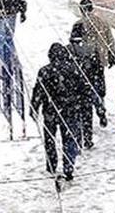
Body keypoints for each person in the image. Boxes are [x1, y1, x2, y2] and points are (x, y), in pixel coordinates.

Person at [31, 43, 82, 180]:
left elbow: (39, 91)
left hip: (51, 110)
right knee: (69, 139)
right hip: (70, 109)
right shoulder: (74, 69)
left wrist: (34, 107)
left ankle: (52, 164)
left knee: (50, 139)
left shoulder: (45, 71)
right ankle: (68, 165)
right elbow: (82, 90)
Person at [67, 23, 106, 149]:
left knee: (75, 114)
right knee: (87, 113)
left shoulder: (67, 49)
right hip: (88, 85)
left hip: (73, 88)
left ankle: (78, 138)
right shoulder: (91, 48)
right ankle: (88, 138)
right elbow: (98, 70)